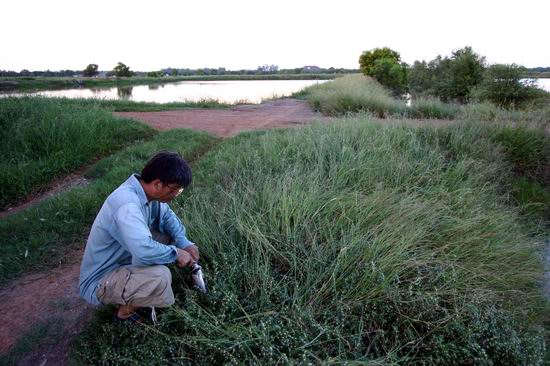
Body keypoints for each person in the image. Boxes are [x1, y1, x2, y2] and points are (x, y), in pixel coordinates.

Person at [79, 151, 199, 323]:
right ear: (158, 184)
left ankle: (135, 283)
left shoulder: (149, 195)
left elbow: (168, 218)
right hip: (101, 280)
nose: (176, 195)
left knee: (169, 236)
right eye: (175, 190)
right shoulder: (127, 203)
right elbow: (143, 250)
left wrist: (184, 243)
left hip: (124, 258)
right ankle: (124, 314)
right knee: (160, 277)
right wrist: (176, 253)